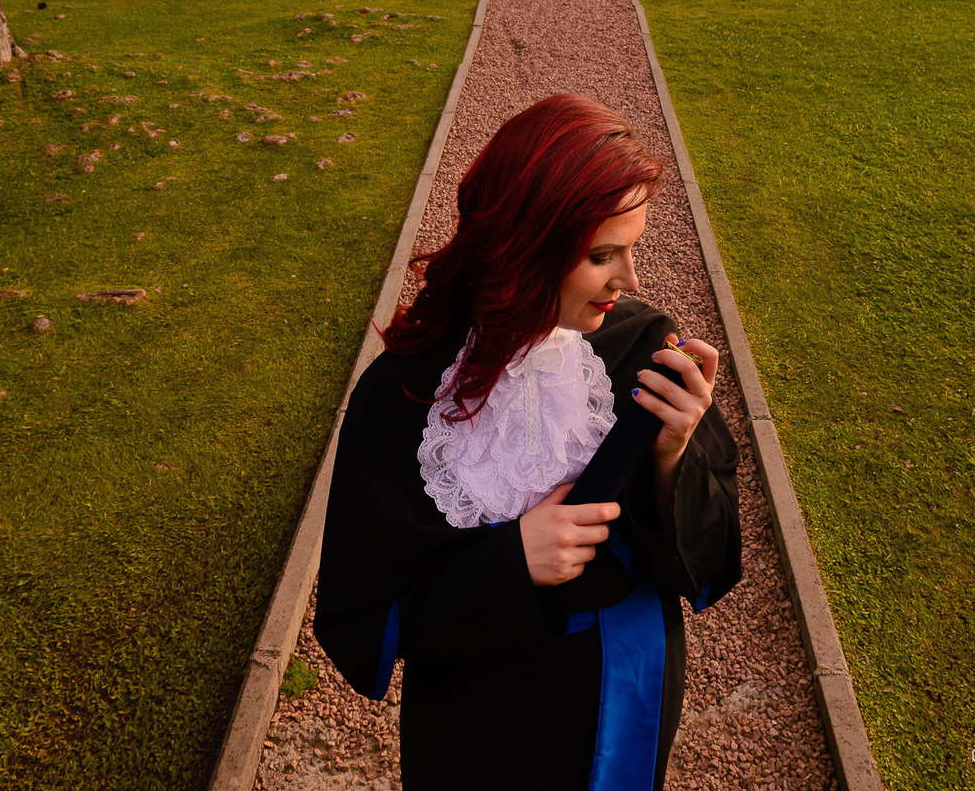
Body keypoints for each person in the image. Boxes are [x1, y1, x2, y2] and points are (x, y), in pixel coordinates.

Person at [314, 94, 742, 791]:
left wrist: (673, 456)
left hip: (630, 683)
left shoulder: (642, 346)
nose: (629, 280)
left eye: (631, 248)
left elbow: (710, 554)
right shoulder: (407, 396)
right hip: (483, 715)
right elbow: (362, 613)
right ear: (526, 243)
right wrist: (509, 560)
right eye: (603, 254)